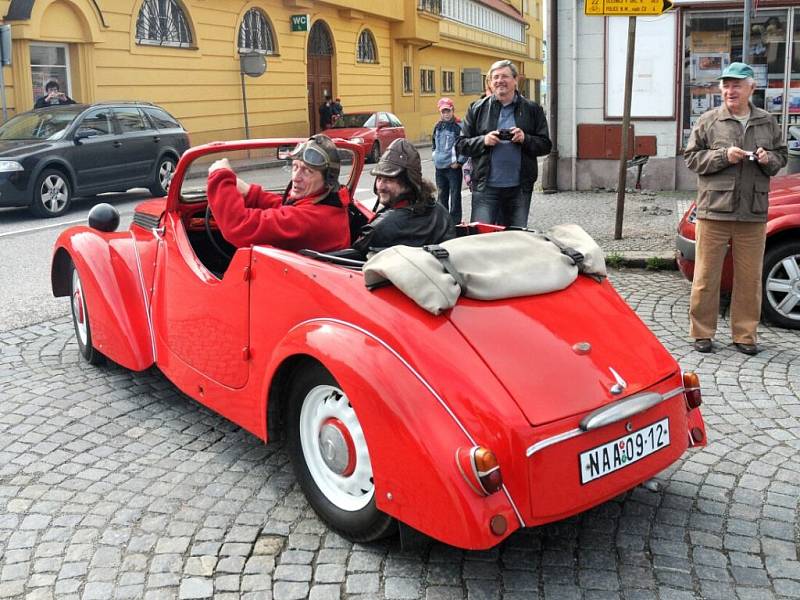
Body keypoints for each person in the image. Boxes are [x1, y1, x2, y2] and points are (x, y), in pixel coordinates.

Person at [684, 62, 787, 355]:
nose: (730, 90)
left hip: (752, 212)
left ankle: (744, 335)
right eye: (726, 85)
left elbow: (781, 157)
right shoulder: (709, 120)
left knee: (749, 278)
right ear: (720, 89)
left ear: (751, 88)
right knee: (706, 276)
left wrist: (769, 160)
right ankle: (701, 332)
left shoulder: (767, 121)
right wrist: (722, 157)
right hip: (714, 210)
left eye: (737, 85)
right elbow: (691, 159)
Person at [206, 134, 351, 252]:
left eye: (307, 171)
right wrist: (250, 193)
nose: (295, 177)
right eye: (295, 167)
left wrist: (220, 175)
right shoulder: (328, 205)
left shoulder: (308, 220)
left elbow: (238, 226)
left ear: (327, 181)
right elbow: (287, 210)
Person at [456, 59, 551, 227]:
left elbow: (545, 145)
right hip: (485, 187)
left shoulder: (532, 109)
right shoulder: (477, 108)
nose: (500, 81)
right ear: (490, 83)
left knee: (515, 238)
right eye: (495, 77)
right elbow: (461, 145)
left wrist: (525, 139)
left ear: (515, 80)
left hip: (519, 188)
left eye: (505, 76)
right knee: (481, 237)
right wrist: (483, 140)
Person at [353, 138, 456, 257]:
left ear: (408, 183)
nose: (380, 186)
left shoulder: (378, 228)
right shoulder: (441, 213)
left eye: (389, 180)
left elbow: (352, 255)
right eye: (379, 178)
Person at [431, 97, 466, 223]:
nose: (446, 114)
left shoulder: (459, 126)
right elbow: (434, 143)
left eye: (448, 111)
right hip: (439, 167)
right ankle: (443, 220)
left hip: (453, 168)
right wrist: (434, 156)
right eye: (443, 111)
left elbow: (465, 146)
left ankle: (455, 221)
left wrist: (460, 162)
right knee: (441, 195)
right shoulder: (438, 126)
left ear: (453, 110)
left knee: (455, 195)